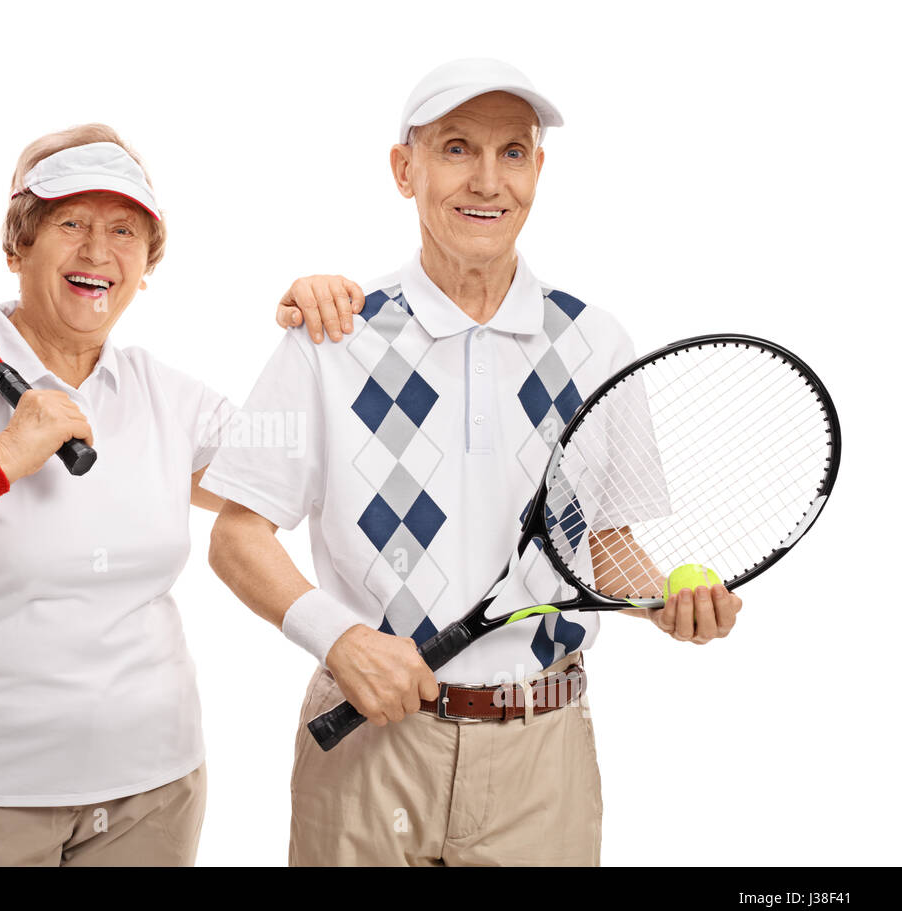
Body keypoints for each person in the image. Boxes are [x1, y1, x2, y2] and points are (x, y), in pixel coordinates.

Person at [201, 58, 744, 866]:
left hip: (543, 761)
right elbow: (236, 537)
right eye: (456, 148)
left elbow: (601, 543)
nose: (487, 181)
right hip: (368, 749)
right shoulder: (332, 333)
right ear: (404, 169)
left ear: (538, 171)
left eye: (513, 153)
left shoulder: (598, 343)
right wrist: (340, 639)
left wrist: (668, 599)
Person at [0, 124, 337, 866]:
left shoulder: (165, 395)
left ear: (146, 265)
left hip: (151, 794)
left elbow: (308, 474)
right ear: (17, 245)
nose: (97, 251)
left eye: (124, 230)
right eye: (70, 223)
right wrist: (5, 455)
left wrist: (322, 342)